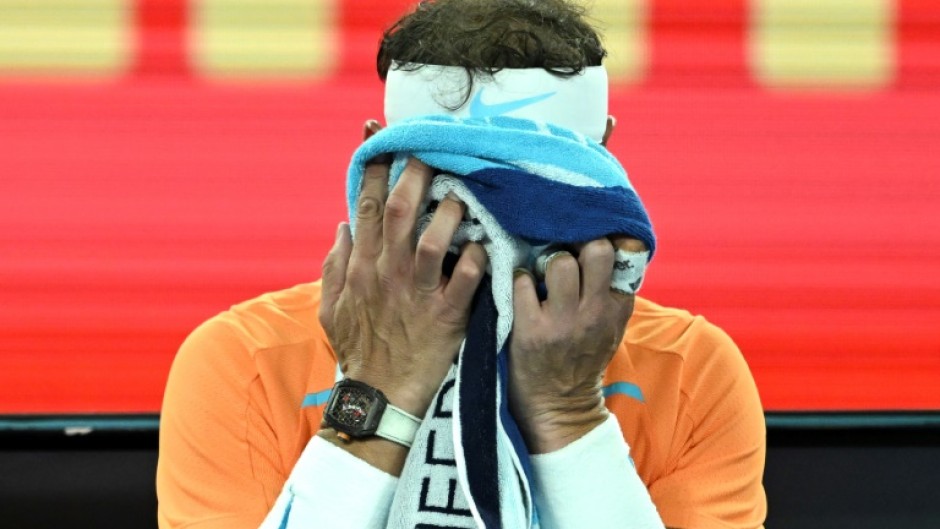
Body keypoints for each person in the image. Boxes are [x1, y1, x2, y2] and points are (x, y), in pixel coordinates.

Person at [156, 1, 767, 528]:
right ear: (379, 161)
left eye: (525, 183)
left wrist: (569, 413)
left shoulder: (691, 372)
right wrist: (377, 391)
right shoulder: (245, 362)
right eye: (453, 176)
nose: (487, 223)